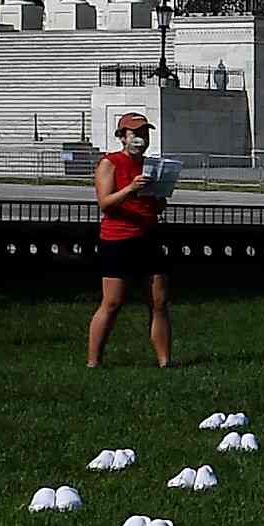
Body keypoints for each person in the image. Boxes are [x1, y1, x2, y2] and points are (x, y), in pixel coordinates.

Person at [86, 110, 173, 368]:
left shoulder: (148, 165)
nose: (140, 139)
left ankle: (165, 362)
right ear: (122, 137)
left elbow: (154, 206)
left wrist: (159, 197)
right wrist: (131, 188)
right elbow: (105, 202)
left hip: (148, 236)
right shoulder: (110, 163)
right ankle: (94, 362)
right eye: (135, 134)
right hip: (118, 239)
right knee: (112, 302)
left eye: (144, 134)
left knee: (159, 301)